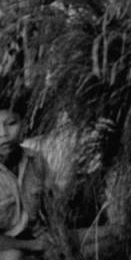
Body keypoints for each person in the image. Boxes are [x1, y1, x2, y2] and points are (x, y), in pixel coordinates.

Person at [0, 94, 53, 258]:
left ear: (23, 124)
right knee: (14, 256)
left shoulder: (35, 159)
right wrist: (31, 246)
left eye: (11, 124)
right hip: (8, 247)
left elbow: (52, 208)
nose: (3, 133)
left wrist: (55, 237)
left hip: (36, 238)